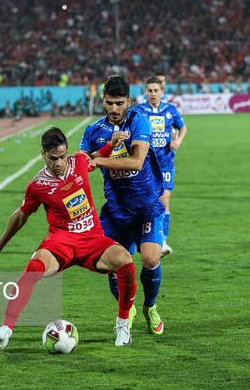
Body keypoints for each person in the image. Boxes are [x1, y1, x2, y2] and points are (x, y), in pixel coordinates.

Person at [0, 127, 137, 348]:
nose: (60, 162)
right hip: (61, 241)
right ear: (43, 154)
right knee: (33, 269)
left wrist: (112, 144)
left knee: (125, 260)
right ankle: (5, 330)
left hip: (92, 239)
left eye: (63, 156)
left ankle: (123, 325)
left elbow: (96, 156)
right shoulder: (37, 186)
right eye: (54, 158)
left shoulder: (79, 162)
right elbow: (20, 217)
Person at [80, 75, 166, 336]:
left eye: (119, 103)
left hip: (146, 206)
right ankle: (126, 310)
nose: (115, 109)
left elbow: (137, 162)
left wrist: (101, 159)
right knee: (110, 265)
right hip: (117, 211)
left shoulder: (139, 121)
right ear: (103, 102)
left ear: (129, 101)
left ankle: (150, 306)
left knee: (150, 259)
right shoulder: (93, 131)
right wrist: (107, 147)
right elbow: (83, 165)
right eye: (109, 103)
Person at [136, 76, 187, 257]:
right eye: (150, 90)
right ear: (145, 92)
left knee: (164, 199)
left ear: (161, 92)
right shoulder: (138, 111)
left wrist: (178, 141)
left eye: (156, 90)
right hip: (144, 164)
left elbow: (183, 127)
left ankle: (163, 241)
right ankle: (139, 237)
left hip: (165, 163)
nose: (153, 94)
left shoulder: (170, 110)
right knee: (143, 201)